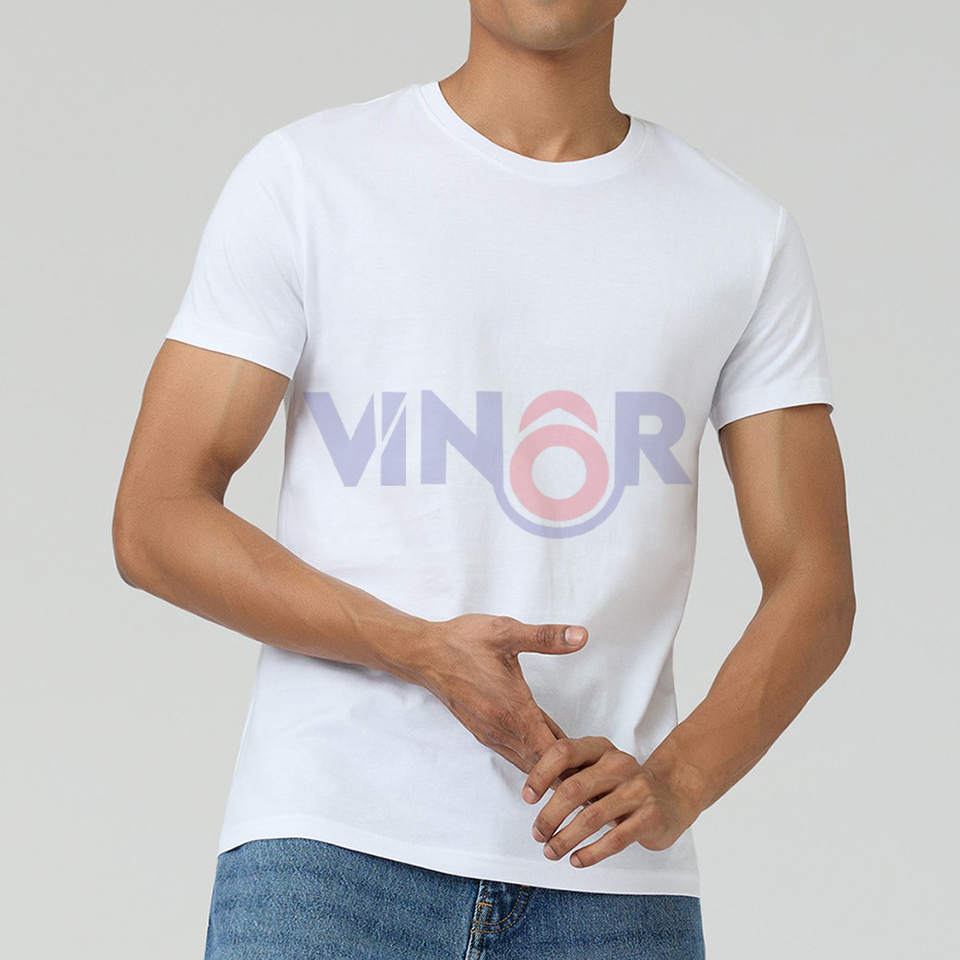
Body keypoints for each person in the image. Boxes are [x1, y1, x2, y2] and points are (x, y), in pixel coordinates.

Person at [112, 1, 856, 957]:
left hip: (610, 883)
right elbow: (155, 517)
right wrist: (418, 649)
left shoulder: (740, 236)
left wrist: (679, 780)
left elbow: (815, 583)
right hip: (333, 857)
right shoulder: (309, 179)